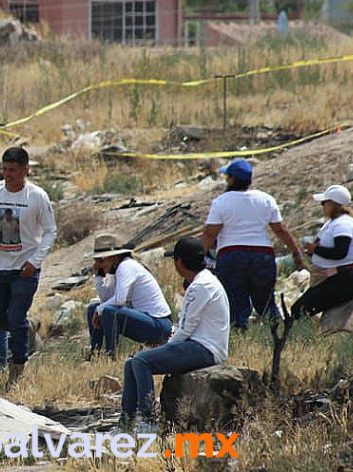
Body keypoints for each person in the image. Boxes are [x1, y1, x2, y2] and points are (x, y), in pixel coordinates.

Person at [120, 237, 230, 434]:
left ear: (179, 262)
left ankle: (148, 421)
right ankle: (126, 423)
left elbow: (186, 328)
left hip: (204, 349)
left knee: (141, 362)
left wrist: (165, 348)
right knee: (132, 363)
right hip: (200, 345)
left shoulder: (199, 286)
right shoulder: (205, 281)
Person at [0, 147, 57, 384]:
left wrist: (34, 261)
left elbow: (50, 231)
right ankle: (27, 329)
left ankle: (18, 368)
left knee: (15, 317)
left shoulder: (37, 196)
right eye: (5, 169)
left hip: (25, 269)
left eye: (13, 170)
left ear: (26, 170)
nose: (8, 175)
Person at [202, 158, 304, 330]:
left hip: (231, 255)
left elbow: (211, 232)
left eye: (227, 177)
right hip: (262, 255)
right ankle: (279, 336)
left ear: (232, 179)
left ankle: (239, 339)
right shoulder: (266, 199)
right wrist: (296, 252)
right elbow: (280, 229)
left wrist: (200, 254)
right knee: (266, 303)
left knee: (235, 303)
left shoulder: (221, 201)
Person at [85, 235, 173, 358]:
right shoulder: (116, 270)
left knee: (109, 311)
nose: (98, 264)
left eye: (101, 260)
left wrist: (100, 310)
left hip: (159, 325)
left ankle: (110, 355)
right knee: (93, 308)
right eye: (96, 261)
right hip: (147, 321)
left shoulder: (126, 267)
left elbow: (119, 300)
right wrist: (99, 276)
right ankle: (96, 355)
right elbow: (106, 299)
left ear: (114, 257)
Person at [292, 185, 353, 319]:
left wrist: (316, 249)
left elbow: (340, 252)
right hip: (336, 277)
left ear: (332, 204)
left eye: (324, 203)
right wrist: (314, 251)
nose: (322, 206)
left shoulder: (343, 224)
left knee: (300, 310)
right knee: (300, 309)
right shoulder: (333, 222)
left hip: (344, 279)